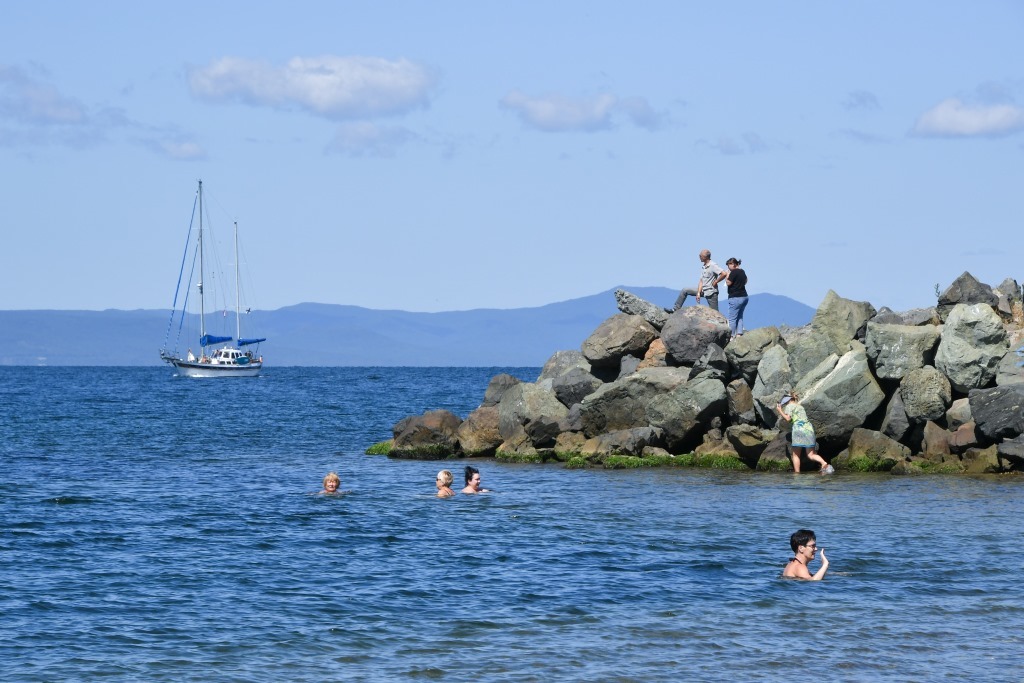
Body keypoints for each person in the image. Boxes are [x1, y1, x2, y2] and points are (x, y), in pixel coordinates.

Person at [775, 393, 833, 474]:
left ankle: (797, 474)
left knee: (795, 455)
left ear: (787, 400)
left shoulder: (789, 406)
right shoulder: (800, 406)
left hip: (799, 430)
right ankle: (824, 464)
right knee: (811, 455)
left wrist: (780, 410)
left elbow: (788, 418)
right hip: (809, 430)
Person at [724, 257, 748, 339]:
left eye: (728, 265)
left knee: (732, 318)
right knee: (740, 316)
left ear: (733, 264)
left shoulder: (733, 272)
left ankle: (731, 336)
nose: (728, 268)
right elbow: (746, 281)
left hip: (735, 297)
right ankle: (739, 334)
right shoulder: (742, 271)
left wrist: (727, 276)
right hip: (744, 296)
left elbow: (728, 283)